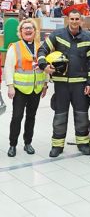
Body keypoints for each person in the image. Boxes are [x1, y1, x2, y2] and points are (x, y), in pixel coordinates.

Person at [37, 9, 90, 157]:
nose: (74, 22)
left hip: (80, 84)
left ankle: (82, 143)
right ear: (67, 19)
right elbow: (42, 49)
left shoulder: (88, 38)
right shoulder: (57, 35)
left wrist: (89, 82)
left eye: (77, 19)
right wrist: (44, 65)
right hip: (61, 84)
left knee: (82, 115)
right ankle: (57, 145)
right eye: (72, 19)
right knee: (60, 115)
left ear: (81, 20)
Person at [4, 19, 48, 157]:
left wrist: (46, 84)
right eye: (25, 28)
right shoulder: (15, 47)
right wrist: (10, 86)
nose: (28, 30)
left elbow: (45, 66)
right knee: (17, 117)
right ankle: (12, 145)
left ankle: (28, 143)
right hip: (20, 89)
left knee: (31, 116)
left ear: (35, 31)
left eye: (31, 28)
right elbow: (8, 68)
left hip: (36, 89)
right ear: (20, 31)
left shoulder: (41, 47)